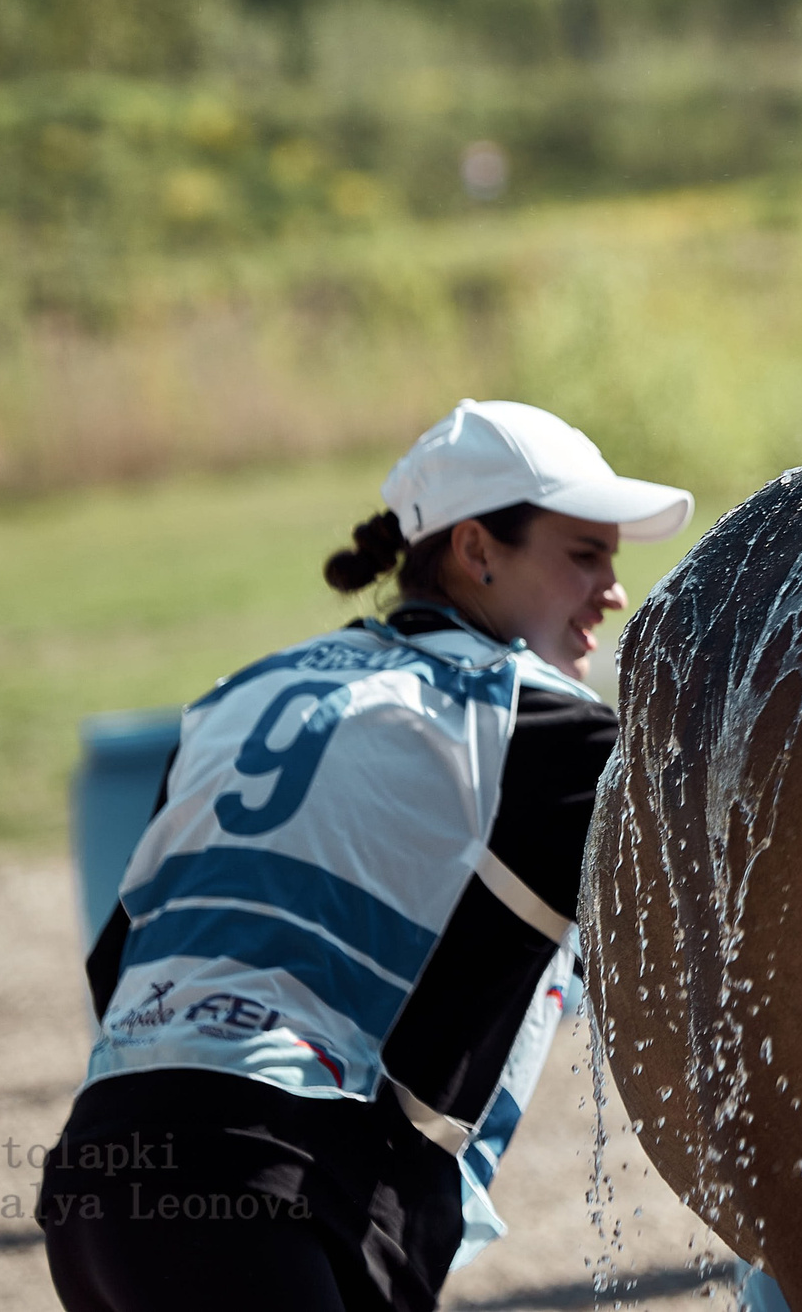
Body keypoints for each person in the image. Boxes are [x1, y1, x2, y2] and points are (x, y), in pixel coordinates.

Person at [39, 400, 692, 1312]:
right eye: (585, 554)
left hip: (96, 1178)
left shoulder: (246, 690)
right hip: (271, 1194)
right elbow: (743, 875)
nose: (614, 590)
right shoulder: (534, 726)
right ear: (476, 551)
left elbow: (121, 961)